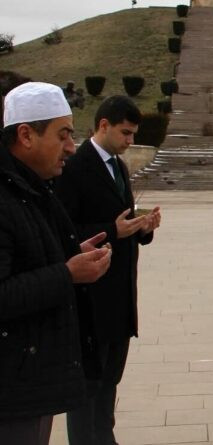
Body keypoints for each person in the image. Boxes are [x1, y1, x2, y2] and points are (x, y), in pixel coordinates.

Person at [0, 82, 111, 444]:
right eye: (63, 135)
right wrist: (67, 272)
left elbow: (23, 258)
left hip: (30, 380)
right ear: (26, 135)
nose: (70, 147)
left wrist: (69, 254)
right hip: (12, 390)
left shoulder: (31, 188)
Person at [55, 95, 160, 445]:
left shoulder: (118, 166)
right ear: (103, 125)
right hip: (91, 297)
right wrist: (114, 230)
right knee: (89, 383)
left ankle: (105, 438)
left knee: (110, 379)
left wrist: (143, 228)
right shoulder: (74, 166)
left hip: (120, 294)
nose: (130, 141)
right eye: (125, 133)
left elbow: (121, 221)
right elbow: (62, 231)